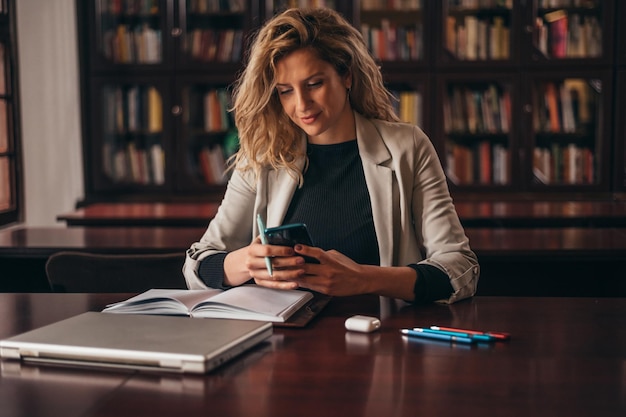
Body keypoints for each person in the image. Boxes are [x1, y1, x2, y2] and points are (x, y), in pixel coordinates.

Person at [184, 7, 479, 304]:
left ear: (346, 75)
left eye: (315, 84)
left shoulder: (407, 146)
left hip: (383, 338)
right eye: (285, 91)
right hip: (282, 340)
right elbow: (197, 264)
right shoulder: (263, 155)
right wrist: (244, 263)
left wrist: (364, 279)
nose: (302, 105)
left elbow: (460, 268)